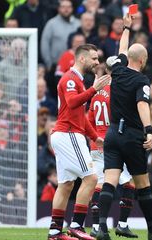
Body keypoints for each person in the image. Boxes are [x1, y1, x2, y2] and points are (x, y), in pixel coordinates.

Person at [96, 13, 152, 240]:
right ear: (142, 60)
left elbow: (122, 48)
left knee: (110, 181)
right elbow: (142, 104)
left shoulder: (117, 69)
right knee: (142, 183)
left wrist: (126, 28)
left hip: (112, 135)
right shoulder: (141, 81)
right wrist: (149, 130)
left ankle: (101, 227)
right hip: (131, 135)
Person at [47, 44, 110, 240]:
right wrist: (94, 89)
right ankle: (77, 226)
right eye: (93, 58)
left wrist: (94, 137)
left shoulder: (77, 80)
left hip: (67, 133)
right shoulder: (71, 79)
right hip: (68, 135)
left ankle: (55, 232)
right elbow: (74, 102)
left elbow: (80, 116)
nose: (97, 62)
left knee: (65, 184)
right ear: (82, 59)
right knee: (91, 178)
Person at [87, 57, 138, 238]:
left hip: (96, 143)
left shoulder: (96, 93)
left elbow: (89, 120)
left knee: (100, 184)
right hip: (114, 142)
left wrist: (94, 137)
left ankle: (95, 227)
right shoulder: (119, 91)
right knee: (129, 183)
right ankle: (122, 224)